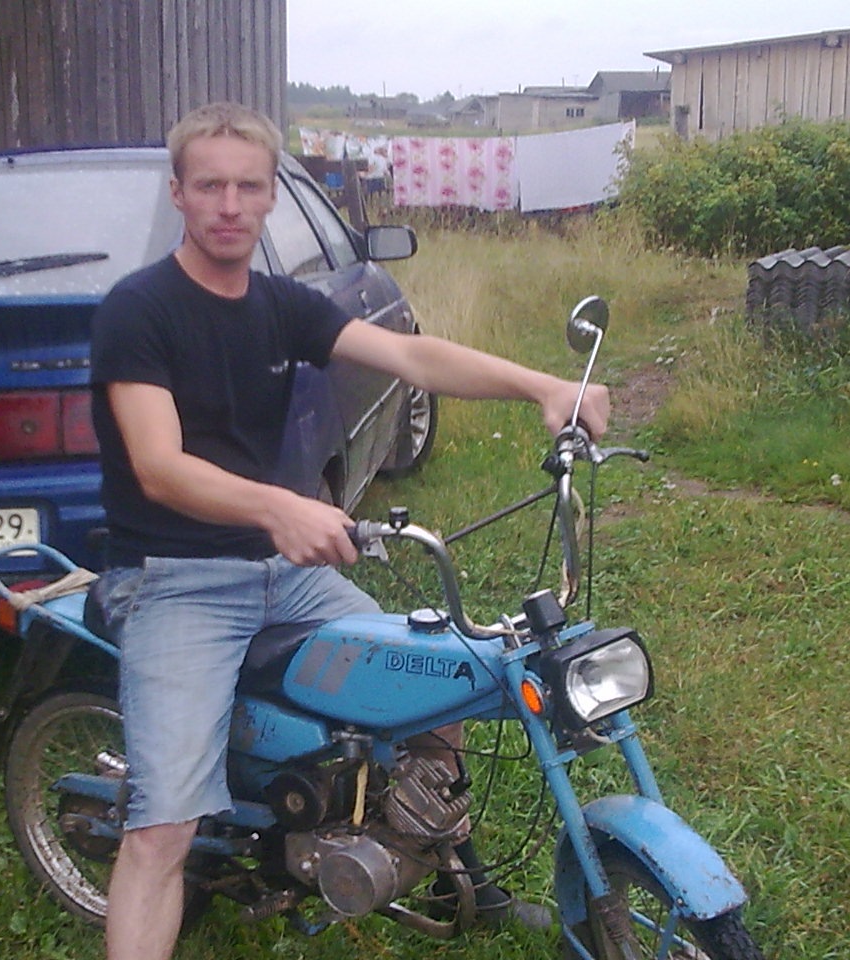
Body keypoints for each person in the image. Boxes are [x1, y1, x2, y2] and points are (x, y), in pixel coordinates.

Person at [88, 102, 610, 960]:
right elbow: (158, 465)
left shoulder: (279, 304)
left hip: (279, 570)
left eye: (247, 186)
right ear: (178, 193)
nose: (229, 205)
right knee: (164, 828)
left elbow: (412, 356)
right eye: (210, 186)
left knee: (440, 679)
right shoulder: (139, 311)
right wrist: (278, 507)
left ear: (272, 197)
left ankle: (444, 870)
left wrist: (543, 386)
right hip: (173, 577)